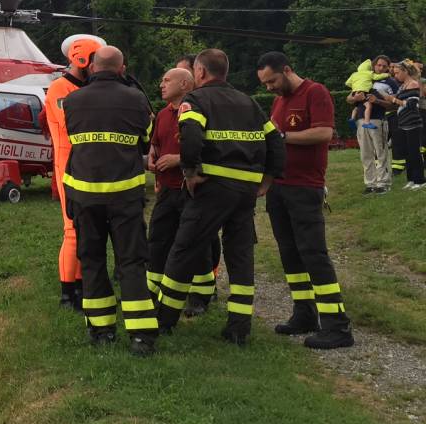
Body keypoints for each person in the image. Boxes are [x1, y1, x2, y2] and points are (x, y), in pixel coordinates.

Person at [156, 49, 285, 346]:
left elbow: (189, 134)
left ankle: (164, 321)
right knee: (240, 257)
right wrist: (268, 178)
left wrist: (189, 172)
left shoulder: (196, 100)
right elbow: (275, 141)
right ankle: (239, 329)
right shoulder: (249, 102)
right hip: (246, 193)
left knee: (184, 249)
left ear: (199, 72)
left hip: (212, 189)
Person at [62, 45, 158, 356]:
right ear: (121, 68)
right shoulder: (137, 99)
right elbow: (145, 141)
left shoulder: (73, 100)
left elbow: (73, 138)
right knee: (131, 263)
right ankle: (141, 336)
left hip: (85, 194)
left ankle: (101, 331)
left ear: (91, 68)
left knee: (91, 261)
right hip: (124, 196)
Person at [256, 52, 355, 349]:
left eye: (272, 80)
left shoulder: (316, 92)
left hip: (305, 187)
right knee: (290, 254)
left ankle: (337, 325)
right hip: (280, 187)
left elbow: (324, 133)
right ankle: (305, 313)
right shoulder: (278, 101)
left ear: (287, 70)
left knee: (314, 253)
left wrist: (282, 137)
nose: (269, 87)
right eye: (264, 83)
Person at [146, 67, 217, 316]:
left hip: (192, 189)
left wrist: (179, 160)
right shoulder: (164, 114)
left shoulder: (197, 110)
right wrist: (153, 158)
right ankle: (152, 291)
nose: (161, 85)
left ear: (185, 85)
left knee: (195, 242)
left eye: (167, 80)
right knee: (157, 239)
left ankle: (201, 296)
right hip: (167, 189)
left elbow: (209, 147)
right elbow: (156, 143)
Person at [44, 34, 107, 310]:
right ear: (82, 60)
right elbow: (71, 124)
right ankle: (68, 292)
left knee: (90, 227)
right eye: (95, 62)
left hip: (90, 163)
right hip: (68, 163)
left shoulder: (88, 87)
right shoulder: (59, 88)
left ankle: (83, 283)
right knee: (72, 229)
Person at [347, 55, 395, 194]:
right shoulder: (363, 78)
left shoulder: (390, 82)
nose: (381, 68)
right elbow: (349, 99)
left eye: (384, 66)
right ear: (373, 65)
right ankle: (370, 184)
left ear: (387, 68)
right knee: (365, 153)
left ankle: (383, 183)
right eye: (378, 65)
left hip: (378, 120)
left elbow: (394, 105)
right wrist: (353, 98)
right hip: (361, 120)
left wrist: (377, 101)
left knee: (380, 152)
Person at [389, 60, 425, 189]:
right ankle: (411, 179)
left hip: (413, 123)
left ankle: (420, 180)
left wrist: (393, 99)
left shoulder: (413, 84)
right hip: (403, 123)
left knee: (414, 153)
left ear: (405, 71)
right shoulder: (402, 85)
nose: (395, 76)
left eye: (397, 73)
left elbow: (412, 104)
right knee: (407, 153)